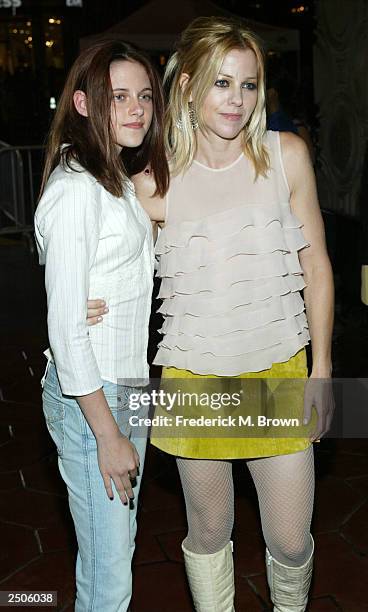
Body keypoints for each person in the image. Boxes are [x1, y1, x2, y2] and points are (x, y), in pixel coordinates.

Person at [88, 17, 334, 612]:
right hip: (192, 379)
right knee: (207, 534)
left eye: (249, 86)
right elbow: (114, 261)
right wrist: (89, 297)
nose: (237, 99)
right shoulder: (151, 182)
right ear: (190, 85)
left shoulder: (287, 156)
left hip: (278, 371)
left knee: (291, 540)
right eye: (222, 84)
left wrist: (322, 369)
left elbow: (317, 266)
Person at [34, 40, 169, 612]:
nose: (136, 108)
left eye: (143, 95)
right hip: (96, 399)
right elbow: (66, 335)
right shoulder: (75, 190)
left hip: (127, 385)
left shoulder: (117, 180)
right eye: (118, 97)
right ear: (85, 104)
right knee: (110, 572)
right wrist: (108, 434)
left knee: (115, 551)